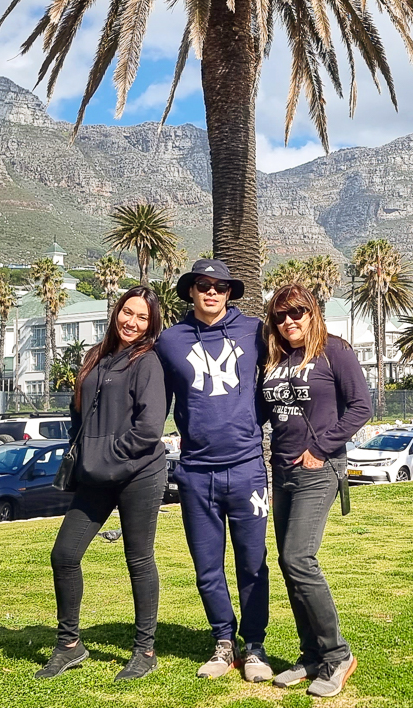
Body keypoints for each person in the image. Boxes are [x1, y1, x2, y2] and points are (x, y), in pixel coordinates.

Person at [38, 285, 168, 682]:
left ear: (151, 324)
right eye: (128, 312)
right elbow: (77, 414)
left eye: (142, 317)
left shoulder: (148, 362)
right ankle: (70, 645)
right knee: (64, 555)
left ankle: (145, 651)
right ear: (116, 312)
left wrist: (107, 454)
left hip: (139, 474)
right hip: (95, 475)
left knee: (138, 559)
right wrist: (82, 455)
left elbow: (149, 428)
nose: (132, 322)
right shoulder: (96, 356)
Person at [155, 258, 273, 683]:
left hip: (247, 468)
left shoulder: (255, 331)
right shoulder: (170, 340)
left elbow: (285, 372)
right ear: (190, 290)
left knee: (253, 563)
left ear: (229, 292)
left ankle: (254, 646)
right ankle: (224, 641)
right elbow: (154, 399)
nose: (211, 292)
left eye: (220, 287)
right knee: (207, 567)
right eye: (203, 285)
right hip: (195, 472)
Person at [259, 285, 372, 697]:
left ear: (312, 313)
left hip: (318, 469)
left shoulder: (334, 351)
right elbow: (263, 411)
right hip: (282, 470)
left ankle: (337, 655)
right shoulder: (275, 358)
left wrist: (320, 449)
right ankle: (311, 656)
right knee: (289, 564)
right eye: (280, 315)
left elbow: (361, 407)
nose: (289, 321)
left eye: (297, 312)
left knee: (298, 558)